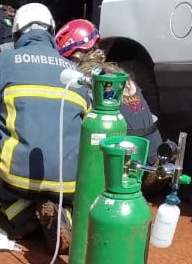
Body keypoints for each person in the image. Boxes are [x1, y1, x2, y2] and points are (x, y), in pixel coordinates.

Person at [0, 3, 92, 254]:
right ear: (51, 32)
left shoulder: (2, 62)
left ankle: (22, 215)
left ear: (17, 34)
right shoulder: (75, 71)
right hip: (68, 182)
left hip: (16, 179)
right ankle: (64, 216)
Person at [55, 19, 163, 166]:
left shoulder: (85, 80)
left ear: (74, 58)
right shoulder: (118, 73)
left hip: (125, 164)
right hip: (153, 157)